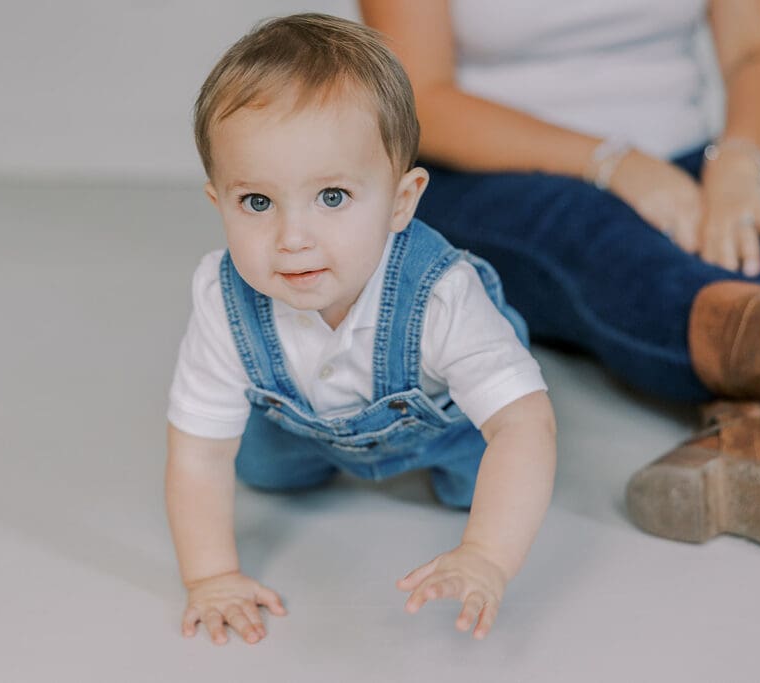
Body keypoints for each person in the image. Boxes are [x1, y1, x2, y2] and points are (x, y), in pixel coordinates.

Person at [360, 0, 760, 565]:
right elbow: (419, 95)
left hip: (686, 164)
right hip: (492, 178)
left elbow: (757, 48)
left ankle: (750, 433)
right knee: (606, 244)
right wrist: (614, 163)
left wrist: (740, 161)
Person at [166, 13, 557, 646]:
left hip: (447, 422)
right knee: (260, 469)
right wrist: (210, 576)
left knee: (495, 475)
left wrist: (486, 553)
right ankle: (311, 454)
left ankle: (496, 383)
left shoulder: (438, 294)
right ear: (219, 204)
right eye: (257, 203)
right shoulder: (223, 296)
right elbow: (198, 451)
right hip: (307, 424)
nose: (293, 238)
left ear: (401, 200)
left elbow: (523, 425)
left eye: (333, 197)